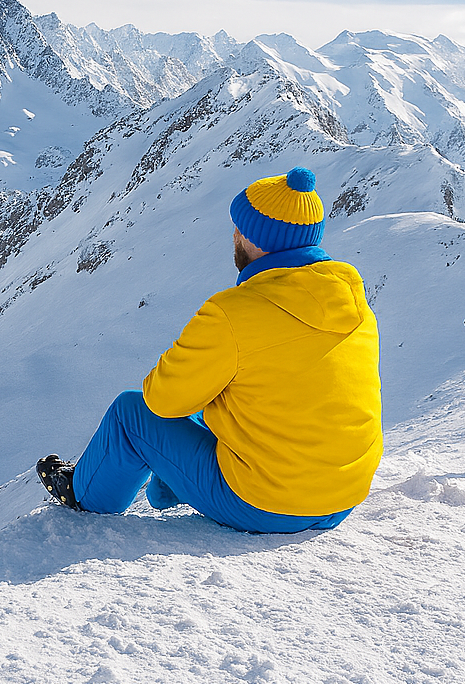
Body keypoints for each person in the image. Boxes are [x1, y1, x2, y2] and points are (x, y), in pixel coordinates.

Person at [37, 167, 382, 534]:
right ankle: (175, 484)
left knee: (130, 412)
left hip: (267, 505)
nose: (233, 234)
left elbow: (162, 401)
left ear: (257, 238)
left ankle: (82, 496)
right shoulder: (352, 300)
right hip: (343, 497)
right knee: (244, 395)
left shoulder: (233, 313)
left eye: (240, 227)